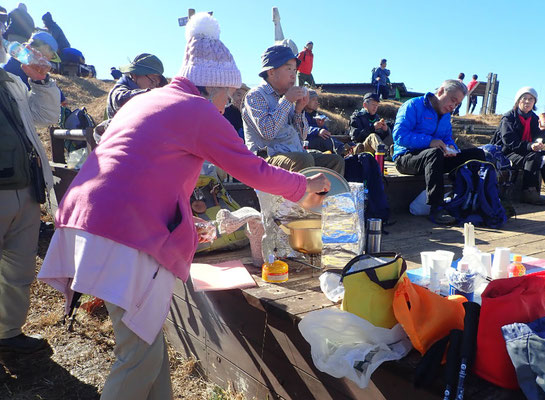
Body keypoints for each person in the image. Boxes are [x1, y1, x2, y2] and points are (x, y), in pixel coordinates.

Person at [38, 12, 330, 400]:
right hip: (118, 233)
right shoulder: (197, 110)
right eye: (228, 93)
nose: (229, 103)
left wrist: (186, 220)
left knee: (145, 344)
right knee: (137, 356)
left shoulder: (153, 99)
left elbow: (140, 173)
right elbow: (252, 168)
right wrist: (302, 186)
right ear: (212, 86)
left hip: (88, 219)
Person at [0, 20, 60, 354]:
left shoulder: (11, 81)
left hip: (25, 191)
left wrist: (43, 81)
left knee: (19, 268)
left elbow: (46, 115)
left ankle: (8, 334)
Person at [392, 79, 486, 225]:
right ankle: (436, 207)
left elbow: (447, 138)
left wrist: (452, 149)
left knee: (477, 154)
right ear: (441, 91)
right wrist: (429, 142)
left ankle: (473, 199)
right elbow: (399, 136)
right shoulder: (413, 105)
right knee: (434, 153)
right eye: (452, 100)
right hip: (406, 158)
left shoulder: (446, 115)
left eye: (457, 104)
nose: (453, 106)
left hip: (435, 160)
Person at [243, 45, 344, 174]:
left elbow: (302, 136)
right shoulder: (255, 95)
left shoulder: (287, 96)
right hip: (265, 158)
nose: (293, 75)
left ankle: (323, 195)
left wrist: (299, 110)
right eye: (289, 69)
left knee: (335, 161)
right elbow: (267, 133)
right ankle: (301, 194)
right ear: (271, 72)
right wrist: (286, 101)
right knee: (303, 160)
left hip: (293, 153)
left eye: (295, 70)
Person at [490, 87, 545, 205]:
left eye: (531, 99)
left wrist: (542, 130)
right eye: (524, 98)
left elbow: (539, 139)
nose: (527, 102)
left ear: (534, 102)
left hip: (525, 150)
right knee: (532, 157)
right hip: (507, 152)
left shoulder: (534, 118)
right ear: (518, 100)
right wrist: (531, 146)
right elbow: (509, 141)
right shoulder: (509, 117)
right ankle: (529, 192)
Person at [3, 31, 66, 104]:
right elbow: (43, 82)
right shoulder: (30, 60)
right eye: (53, 55)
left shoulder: (16, 53)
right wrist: (61, 98)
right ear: (45, 47)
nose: (50, 58)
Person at [106, 53, 167, 119]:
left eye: (157, 83)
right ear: (134, 75)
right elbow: (120, 99)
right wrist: (152, 94)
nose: (154, 86)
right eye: (152, 80)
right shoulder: (118, 91)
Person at [304, 89, 348, 155]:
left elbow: (325, 133)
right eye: (313, 100)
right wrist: (318, 130)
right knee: (326, 141)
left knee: (327, 138)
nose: (317, 102)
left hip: (316, 140)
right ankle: (344, 150)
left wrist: (321, 126)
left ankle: (347, 149)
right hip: (305, 142)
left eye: (317, 100)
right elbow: (301, 128)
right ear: (305, 101)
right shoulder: (300, 113)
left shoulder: (316, 115)